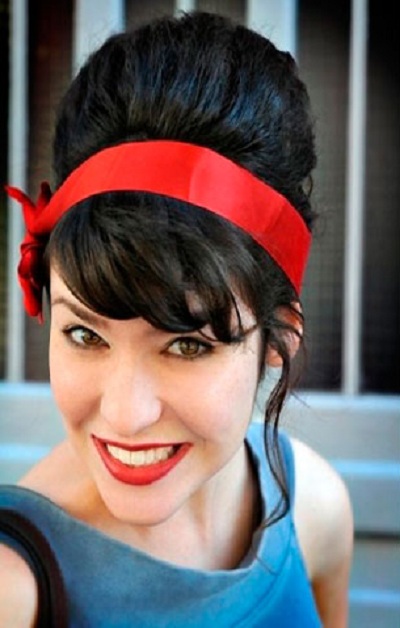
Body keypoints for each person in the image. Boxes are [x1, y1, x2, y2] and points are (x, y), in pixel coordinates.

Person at [0, 10, 353, 627]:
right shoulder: (14, 588)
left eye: (186, 345)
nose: (125, 415)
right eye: (85, 334)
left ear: (279, 336)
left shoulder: (314, 510)